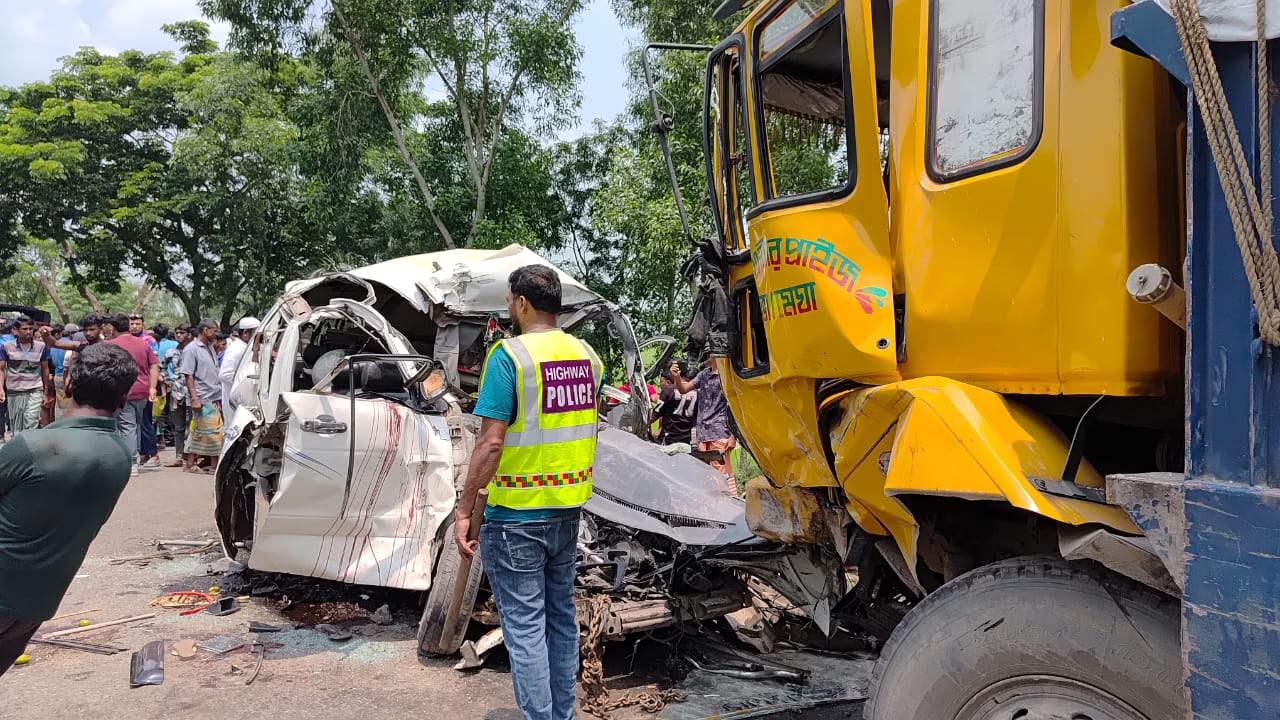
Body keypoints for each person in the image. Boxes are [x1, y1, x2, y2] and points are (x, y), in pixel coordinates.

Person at [456, 265, 603, 720]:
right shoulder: (588, 357)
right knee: (560, 620)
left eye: (508, 300)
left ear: (520, 302)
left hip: (517, 515)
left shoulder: (509, 357)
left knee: (523, 629)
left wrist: (465, 508)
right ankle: (561, 715)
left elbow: (492, 442)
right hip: (567, 513)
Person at [0, 343, 136, 676]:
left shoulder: (32, 446)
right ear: (123, 400)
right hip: (36, 603)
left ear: (69, 384)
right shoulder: (119, 455)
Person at [671, 355, 737, 493]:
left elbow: (735, 405)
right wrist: (676, 377)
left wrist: (733, 436)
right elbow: (683, 389)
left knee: (722, 473)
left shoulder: (727, 374)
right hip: (703, 432)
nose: (702, 355)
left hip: (720, 431)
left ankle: (730, 502)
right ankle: (711, 505)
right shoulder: (704, 374)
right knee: (705, 474)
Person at [105, 314, 158, 477]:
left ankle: (132, 462)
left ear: (113, 328)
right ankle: (136, 458)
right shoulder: (144, 344)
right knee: (137, 424)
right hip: (142, 389)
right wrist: (152, 387)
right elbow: (154, 365)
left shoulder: (110, 345)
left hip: (123, 390)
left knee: (127, 426)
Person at [0, 317, 54, 443]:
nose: (28, 332)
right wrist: (1, 389)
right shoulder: (6, 347)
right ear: (16, 330)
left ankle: (30, 446)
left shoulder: (42, 347)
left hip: (35, 388)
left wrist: (46, 391)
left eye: (30, 329)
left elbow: (45, 369)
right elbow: (1, 369)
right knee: (16, 425)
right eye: (24, 329)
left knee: (31, 418)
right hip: (14, 390)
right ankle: (20, 449)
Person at [180, 319, 223, 474]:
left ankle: (193, 463)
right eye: (214, 330)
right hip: (202, 396)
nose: (216, 334)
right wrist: (194, 398)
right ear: (205, 330)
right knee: (210, 433)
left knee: (205, 431)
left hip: (214, 395)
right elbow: (188, 375)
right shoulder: (192, 349)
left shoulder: (210, 347)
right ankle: (211, 464)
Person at [163, 325, 193, 467]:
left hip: (192, 393)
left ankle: (191, 456)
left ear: (189, 334)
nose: (179, 335)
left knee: (191, 425)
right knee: (178, 426)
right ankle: (179, 455)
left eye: (182, 333)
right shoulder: (171, 352)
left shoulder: (193, 351)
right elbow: (161, 367)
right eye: (177, 332)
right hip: (176, 393)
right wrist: (167, 380)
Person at [219, 317, 259, 413]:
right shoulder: (237, 349)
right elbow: (224, 375)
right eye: (257, 334)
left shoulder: (245, 348)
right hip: (234, 401)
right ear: (245, 333)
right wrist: (245, 385)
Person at [653, 365, 697, 447]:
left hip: (669, 437)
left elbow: (656, 413)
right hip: (688, 439)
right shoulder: (698, 393)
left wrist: (646, 423)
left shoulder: (669, 390)